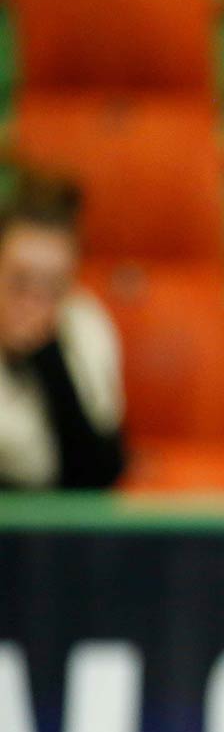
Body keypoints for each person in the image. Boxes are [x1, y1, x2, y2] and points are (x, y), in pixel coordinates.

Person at [0, 168, 127, 491]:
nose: (35, 302)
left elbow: (97, 476)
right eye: (21, 281)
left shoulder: (85, 327)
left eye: (54, 287)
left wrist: (49, 359)